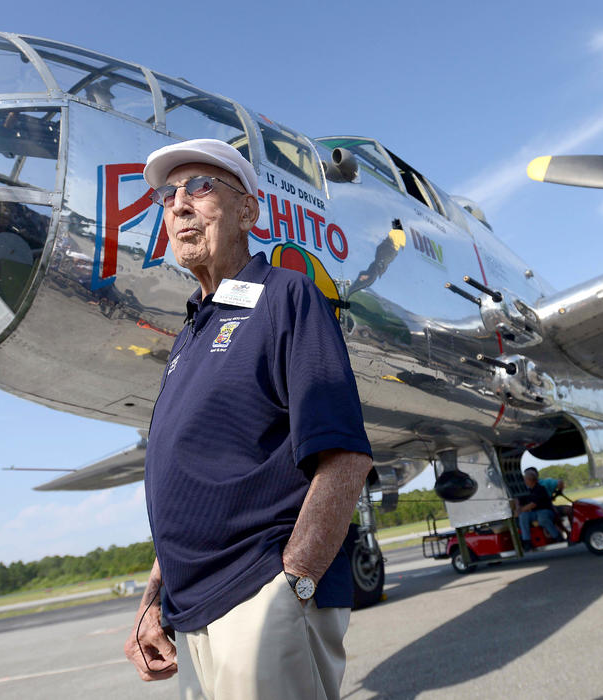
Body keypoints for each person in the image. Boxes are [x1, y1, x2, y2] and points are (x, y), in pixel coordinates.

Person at [123, 138, 373, 700]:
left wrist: (294, 581)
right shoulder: (190, 333)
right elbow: (189, 480)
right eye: (167, 195)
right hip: (189, 611)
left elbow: (344, 454)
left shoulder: (286, 296)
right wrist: (151, 602)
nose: (179, 204)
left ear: (248, 211)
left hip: (258, 595)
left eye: (200, 187)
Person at [516, 467, 564, 548]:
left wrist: (520, 510)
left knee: (542, 519)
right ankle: (527, 541)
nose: (524, 481)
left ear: (530, 480)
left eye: (525, 479)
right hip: (534, 513)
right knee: (523, 516)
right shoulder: (527, 490)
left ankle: (557, 536)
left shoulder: (540, 489)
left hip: (546, 511)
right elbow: (520, 500)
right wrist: (518, 508)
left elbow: (533, 504)